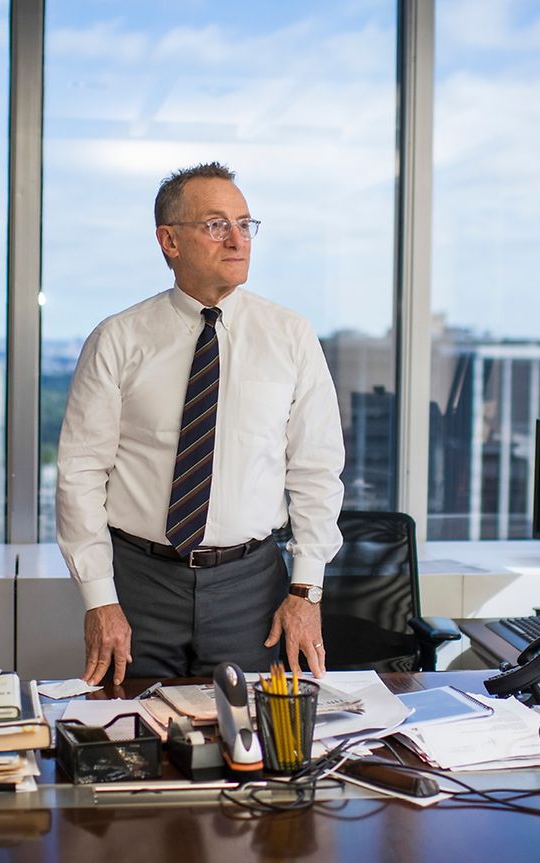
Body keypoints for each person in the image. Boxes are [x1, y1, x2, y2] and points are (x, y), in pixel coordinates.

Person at [57, 162, 345, 686]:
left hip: (252, 588)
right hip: (139, 585)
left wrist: (306, 591)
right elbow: (80, 474)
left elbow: (316, 471)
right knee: (133, 740)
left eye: (245, 223)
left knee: (254, 750)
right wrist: (99, 599)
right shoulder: (118, 338)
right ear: (169, 240)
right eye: (216, 224)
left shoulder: (290, 336)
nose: (237, 239)